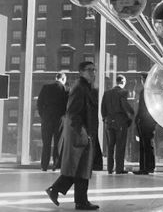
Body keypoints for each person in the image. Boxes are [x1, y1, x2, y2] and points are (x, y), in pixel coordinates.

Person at [45, 61, 99, 210]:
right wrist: (83, 134)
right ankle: (79, 201)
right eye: (89, 70)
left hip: (84, 133)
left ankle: (71, 197)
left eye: (94, 70)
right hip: (80, 134)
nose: (93, 73)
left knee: (80, 169)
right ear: (81, 72)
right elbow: (73, 112)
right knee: (81, 169)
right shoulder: (80, 88)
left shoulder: (85, 87)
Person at [101, 74, 134, 174]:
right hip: (120, 122)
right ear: (123, 82)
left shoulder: (107, 93)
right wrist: (131, 113)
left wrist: (105, 119)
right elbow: (124, 105)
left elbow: (103, 108)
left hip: (109, 122)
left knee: (110, 146)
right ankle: (119, 169)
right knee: (120, 145)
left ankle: (110, 168)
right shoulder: (123, 92)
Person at [37, 72, 68, 171]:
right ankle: (56, 164)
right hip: (60, 119)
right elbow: (68, 105)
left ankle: (44, 165)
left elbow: (39, 103)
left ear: (56, 78)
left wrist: (43, 115)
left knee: (46, 143)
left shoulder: (45, 87)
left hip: (47, 119)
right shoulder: (65, 89)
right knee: (58, 142)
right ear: (63, 79)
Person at [133, 73, 157, 175]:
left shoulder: (145, 91)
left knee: (144, 145)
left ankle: (144, 167)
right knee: (148, 144)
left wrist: (137, 118)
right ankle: (149, 166)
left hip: (144, 121)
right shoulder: (152, 92)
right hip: (150, 121)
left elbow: (141, 108)